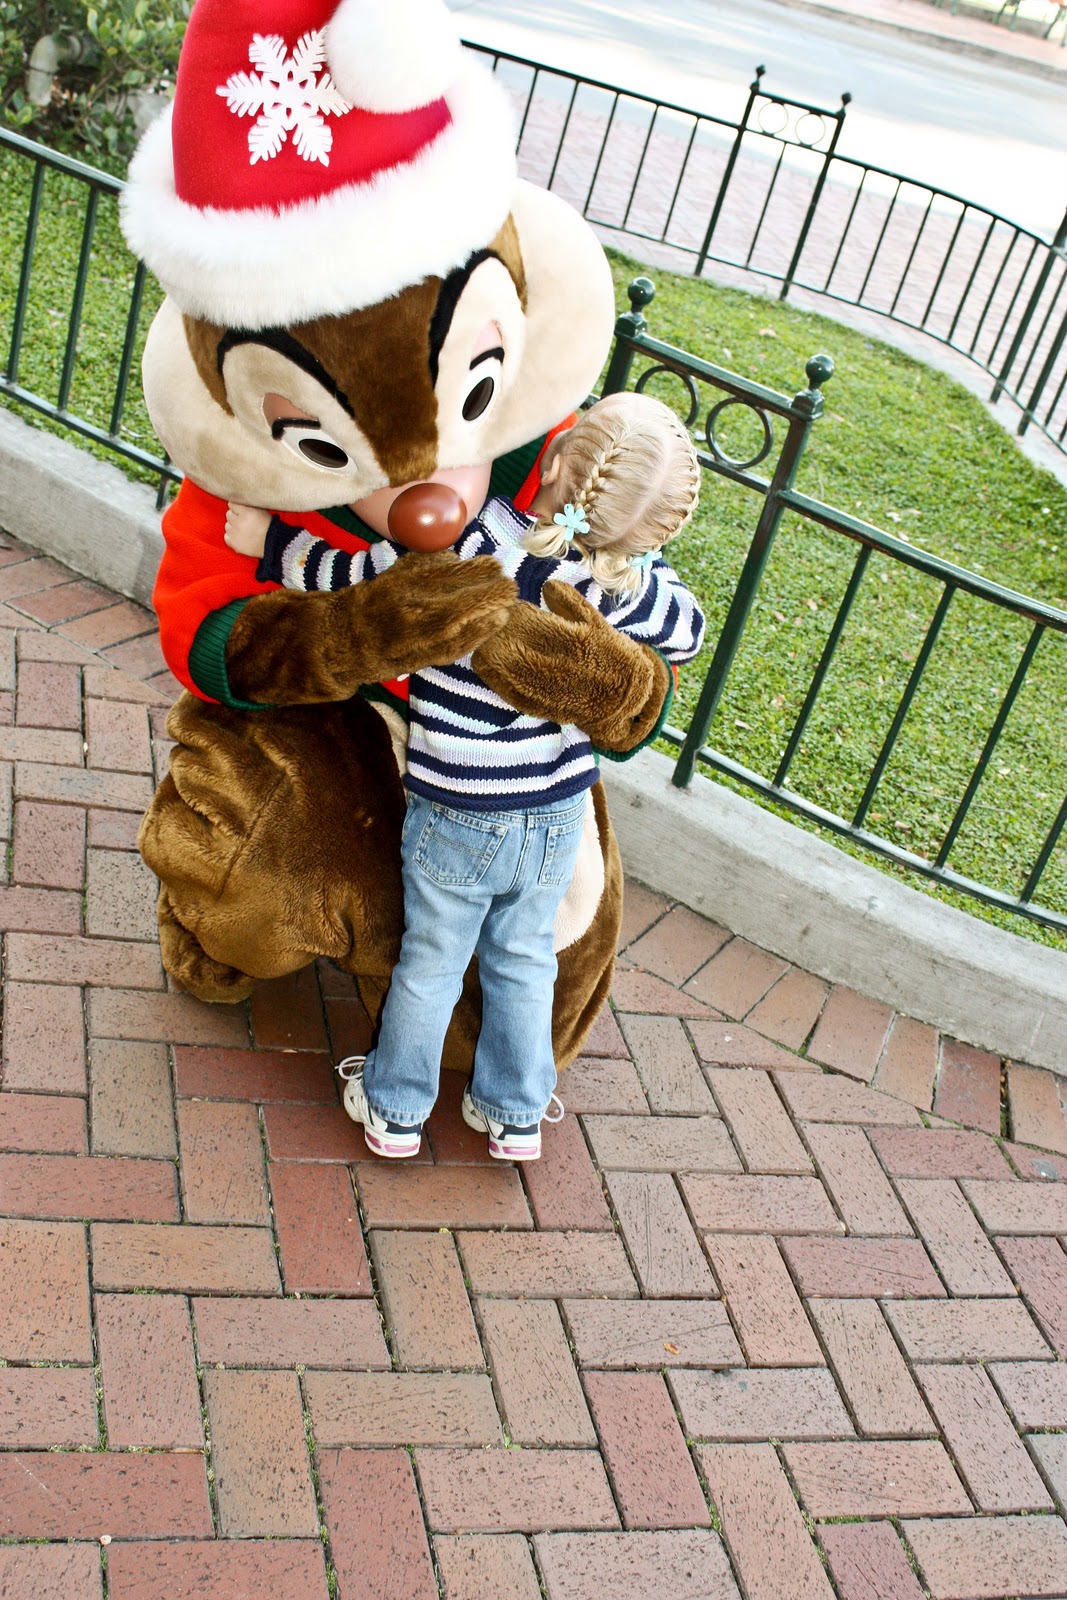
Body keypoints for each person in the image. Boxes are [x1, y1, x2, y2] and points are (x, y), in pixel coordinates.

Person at [224, 391, 706, 1160]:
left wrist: (270, 540)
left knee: (432, 960)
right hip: (555, 814)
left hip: (460, 810)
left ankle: (394, 1109)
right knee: (523, 960)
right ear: (652, 532)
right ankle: (514, 1112)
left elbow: (355, 581)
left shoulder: (469, 546)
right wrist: (634, 564)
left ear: (553, 460)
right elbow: (687, 633)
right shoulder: (627, 592)